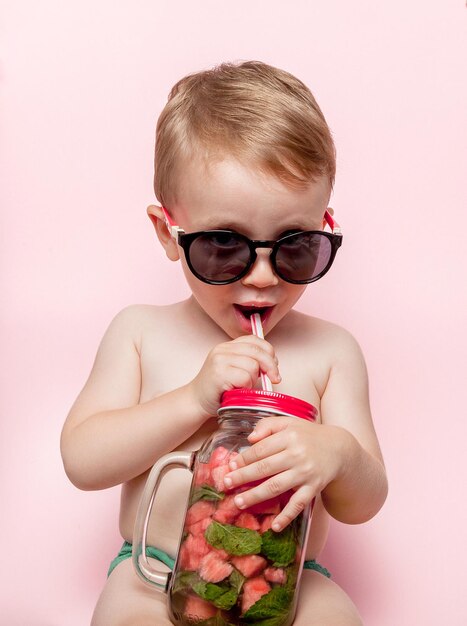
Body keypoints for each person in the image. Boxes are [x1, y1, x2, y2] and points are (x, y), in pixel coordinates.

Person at [61, 60, 388, 625]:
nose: (262, 276)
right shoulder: (140, 332)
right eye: (223, 246)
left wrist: (335, 453)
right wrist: (193, 399)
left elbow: (365, 501)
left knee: (337, 617)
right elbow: (82, 460)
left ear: (323, 228)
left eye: (295, 247)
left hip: (287, 576)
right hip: (154, 570)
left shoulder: (331, 352)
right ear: (170, 233)